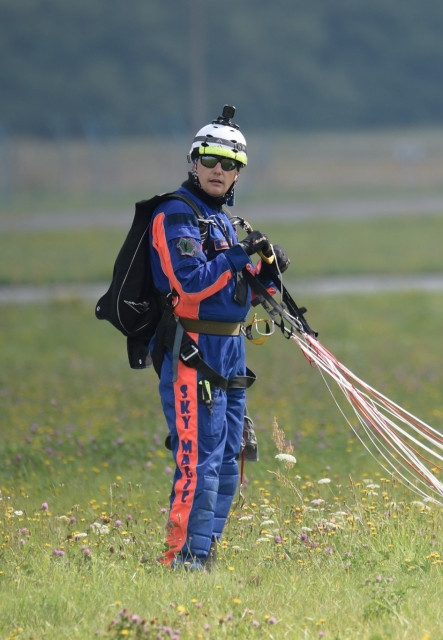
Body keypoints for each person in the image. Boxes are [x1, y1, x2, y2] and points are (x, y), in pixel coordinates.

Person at [148, 105, 288, 569]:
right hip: (193, 351)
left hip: (230, 350)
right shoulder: (176, 215)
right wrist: (237, 256)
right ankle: (180, 563)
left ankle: (203, 557)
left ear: (238, 174)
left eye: (229, 164)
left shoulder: (224, 222)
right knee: (201, 461)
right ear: (193, 161)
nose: (218, 170)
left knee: (230, 462)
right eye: (209, 160)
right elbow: (190, 285)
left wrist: (266, 271)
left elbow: (240, 296)